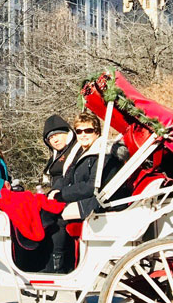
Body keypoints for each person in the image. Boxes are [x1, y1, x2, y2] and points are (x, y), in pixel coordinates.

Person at [42, 113, 123, 272]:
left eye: (88, 131)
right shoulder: (81, 151)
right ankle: (53, 261)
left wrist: (61, 195)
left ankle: (57, 266)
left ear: (97, 132)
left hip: (99, 202)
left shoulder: (102, 154)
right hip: (88, 198)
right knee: (46, 208)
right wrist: (55, 191)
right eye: (79, 131)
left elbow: (92, 186)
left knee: (56, 217)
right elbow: (68, 177)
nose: (83, 135)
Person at [40, 114, 75, 189]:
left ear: (68, 135)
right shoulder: (53, 158)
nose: (55, 140)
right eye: (51, 137)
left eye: (57, 135)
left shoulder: (77, 151)